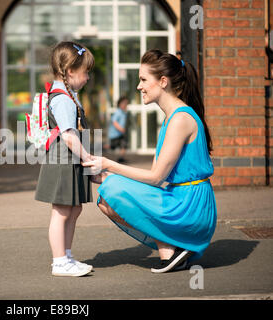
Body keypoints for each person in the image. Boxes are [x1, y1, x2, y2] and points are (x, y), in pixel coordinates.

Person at [82, 49, 216, 273]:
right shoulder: (170, 118)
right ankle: (171, 249)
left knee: (112, 188)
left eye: (143, 79)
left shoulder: (181, 119)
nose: (138, 86)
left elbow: (155, 178)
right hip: (179, 198)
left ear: (163, 82)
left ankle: (173, 246)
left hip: (191, 206)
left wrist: (109, 165)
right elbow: (155, 175)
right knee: (106, 198)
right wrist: (107, 175)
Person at [34, 41, 95, 277]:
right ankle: (60, 261)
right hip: (63, 163)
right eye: (85, 71)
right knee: (61, 211)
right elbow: (69, 136)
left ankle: (67, 256)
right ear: (70, 71)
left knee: (74, 209)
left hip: (69, 163)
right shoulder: (63, 99)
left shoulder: (69, 95)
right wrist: (87, 156)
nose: (88, 77)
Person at [108, 96, 129, 163]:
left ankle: (121, 158)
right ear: (120, 104)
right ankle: (103, 147)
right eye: (124, 103)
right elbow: (114, 122)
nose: (125, 105)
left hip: (120, 134)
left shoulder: (124, 113)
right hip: (115, 134)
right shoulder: (118, 112)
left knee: (124, 144)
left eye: (126, 104)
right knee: (112, 147)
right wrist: (120, 129)